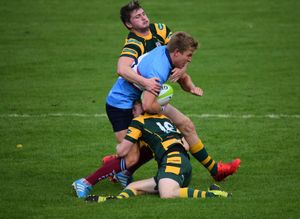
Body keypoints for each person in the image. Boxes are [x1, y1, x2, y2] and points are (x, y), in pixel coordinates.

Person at [72, 32, 240, 198]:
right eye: (188, 55)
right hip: (122, 104)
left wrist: (191, 88)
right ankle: (86, 182)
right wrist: (164, 113)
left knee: (185, 125)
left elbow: (182, 77)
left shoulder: (168, 53)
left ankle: (216, 170)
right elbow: (148, 105)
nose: (190, 59)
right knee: (132, 156)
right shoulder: (158, 70)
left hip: (141, 99)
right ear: (176, 53)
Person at [103, 0, 239, 188]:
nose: (143, 17)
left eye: (143, 13)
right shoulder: (134, 44)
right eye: (137, 17)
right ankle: (116, 167)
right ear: (129, 24)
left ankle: (216, 170)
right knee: (156, 142)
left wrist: (183, 72)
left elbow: (182, 49)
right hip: (136, 98)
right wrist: (147, 83)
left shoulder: (159, 29)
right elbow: (121, 69)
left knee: (185, 125)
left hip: (151, 93)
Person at [85, 101, 232, 203]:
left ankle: (212, 194)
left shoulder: (138, 121)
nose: (132, 113)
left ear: (141, 110)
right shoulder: (164, 118)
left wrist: (117, 152)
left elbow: (123, 149)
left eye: (134, 110)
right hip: (181, 165)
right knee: (133, 187)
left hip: (171, 163)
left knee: (167, 195)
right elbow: (186, 145)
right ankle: (113, 200)